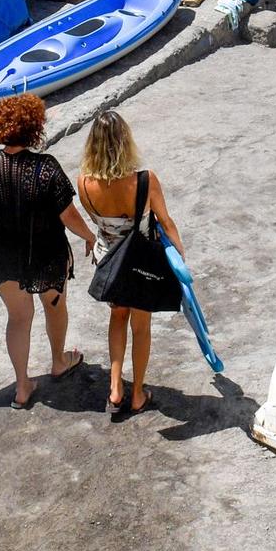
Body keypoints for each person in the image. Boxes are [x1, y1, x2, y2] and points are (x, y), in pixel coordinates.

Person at [0, 94, 97, 409]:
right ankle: (59, 362)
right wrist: (89, 236)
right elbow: (68, 215)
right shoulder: (46, 168)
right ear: (35, 129)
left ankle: (22, 386)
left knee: (19, 318)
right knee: (54, 308)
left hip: (2, 260)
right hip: (45, 258)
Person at [77, 110, 184, 419]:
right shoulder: (145, 181)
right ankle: (137, 393)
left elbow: (98, 222)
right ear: (126, 141)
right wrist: (180, 259)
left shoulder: (84, 181)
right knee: (141, 327)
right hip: (138, 265)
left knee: (116, 319)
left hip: (108, 261)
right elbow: (165, 221)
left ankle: (114, 388)